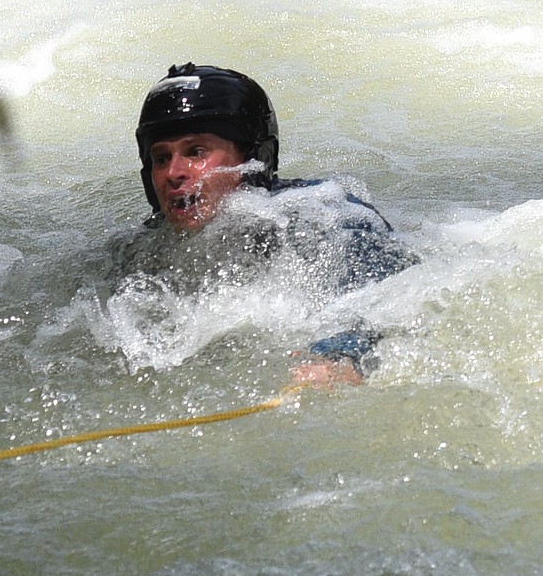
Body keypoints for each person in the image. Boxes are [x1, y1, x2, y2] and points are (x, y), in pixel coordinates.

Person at [116, 62, 418, 387]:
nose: (174, 172)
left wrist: (340, 353)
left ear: (251, 161)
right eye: (161, 158)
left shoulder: (318, 216)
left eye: (195, 151)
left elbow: (392, 296)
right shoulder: (140, 253)